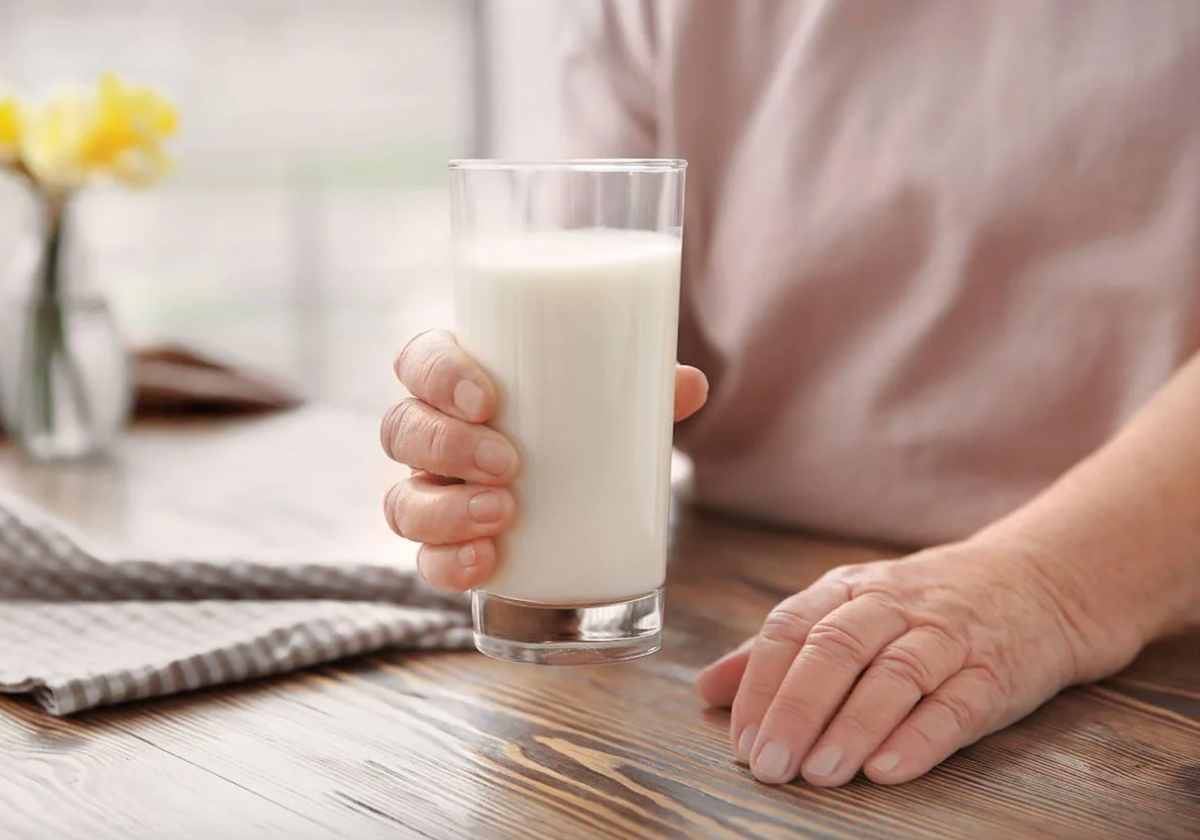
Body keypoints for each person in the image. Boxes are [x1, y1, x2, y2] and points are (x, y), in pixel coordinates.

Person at [379, 1, 1200, 788]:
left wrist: (1053, 584)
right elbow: (581, 288)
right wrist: (466, 403)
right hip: (734, 581)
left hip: (1136, 610)